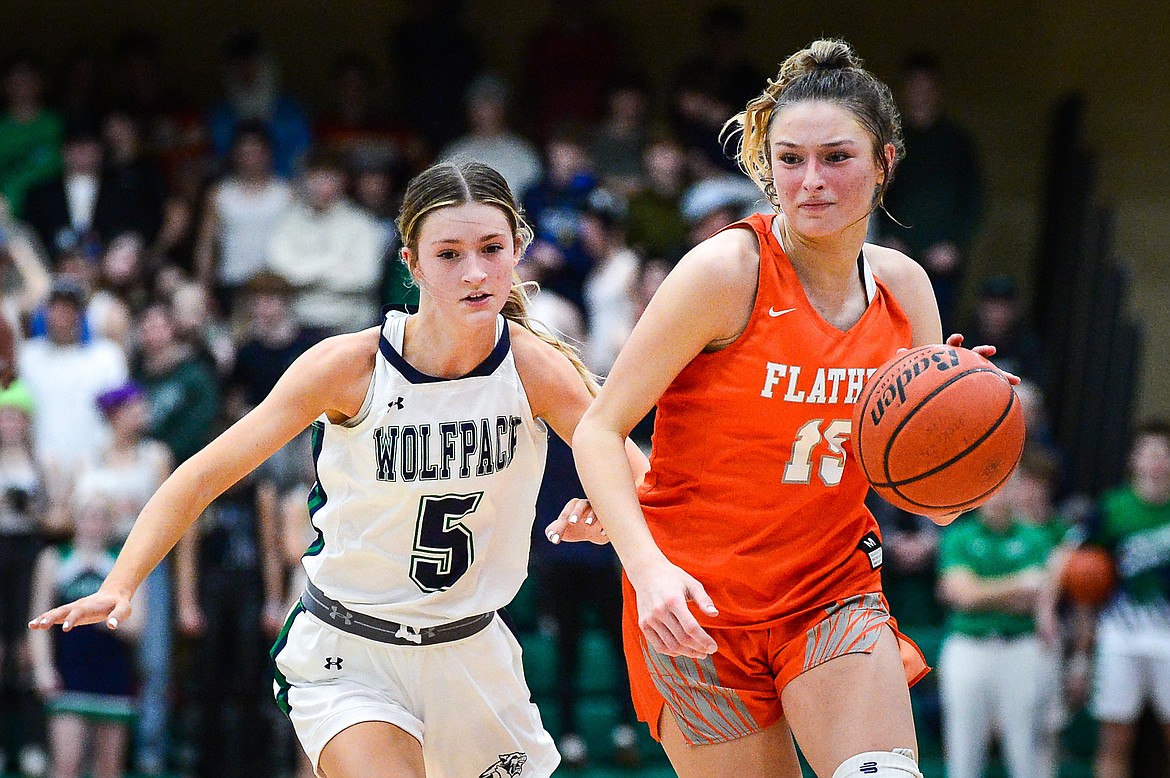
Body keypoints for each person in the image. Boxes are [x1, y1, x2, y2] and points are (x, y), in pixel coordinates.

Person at [29, 159, 644, 777]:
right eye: (449, 254)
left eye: (492, 248)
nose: (476, 272)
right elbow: (201, 475)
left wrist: (610, 510)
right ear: (412, 263)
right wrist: (121, 580)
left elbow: (639, 476)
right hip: (351, 649)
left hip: (471, 650)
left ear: (518, 248)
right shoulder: (349, 366)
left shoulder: (535, 369)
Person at [571, 39, 1015, 778]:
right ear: (767, 166)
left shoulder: (907, 291)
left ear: (885, 163)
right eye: (789, 159)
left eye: (837, 157)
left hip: (828, 587)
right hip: (695, 607)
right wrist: (646, 568)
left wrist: (962, 442)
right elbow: (599, 428)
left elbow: (931, 502)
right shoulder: (724, 273)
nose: (811, 180)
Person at [935, 468, 1056, 778]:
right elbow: (961, 595)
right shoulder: (958, 536)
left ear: (1017, 491)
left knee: (1024, 748)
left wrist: (981, 590)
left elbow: (1035, 597)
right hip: (967, 645)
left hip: (1019, 646)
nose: (997, 496)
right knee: (963, 747)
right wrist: (1016, 584)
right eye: (989, 488)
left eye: (1005, 488)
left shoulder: (1035, 537)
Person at [1073, 421, 1170, 778]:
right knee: (1115, 739)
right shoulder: (1112, 508)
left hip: (1168, 634)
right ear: (1135, 460)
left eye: (1164, 454)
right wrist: (1082, 656)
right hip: (1121, 634)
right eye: (1149, 453)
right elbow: (1082, 578)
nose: (1156, 462)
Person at [872, 52, 982, 330]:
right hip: (893, 253)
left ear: (938, 91)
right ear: (903, 91)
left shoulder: (957, 142)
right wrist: (885, 237)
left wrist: (956, 244)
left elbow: (974, 198)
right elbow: (872, 191)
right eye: (914, 86)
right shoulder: (888, 142)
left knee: (936, 333)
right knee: (885, 329)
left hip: (942, 262)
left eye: (927, 87)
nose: (920, 94)